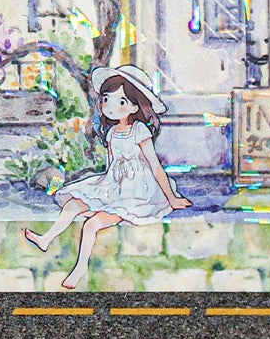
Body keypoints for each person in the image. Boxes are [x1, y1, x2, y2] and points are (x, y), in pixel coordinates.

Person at [23, 64, 191, 290]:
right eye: (106, 99)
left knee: (91, 225)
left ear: (134, 107)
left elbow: (155, 165)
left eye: (121, 102)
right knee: (72, 204)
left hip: (136, 192)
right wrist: (100, 193)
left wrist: (172, 198)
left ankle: (80, 268)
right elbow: (112, 167)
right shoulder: (112, 132)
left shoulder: (139, 130)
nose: (110, 107)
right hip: (114, 185)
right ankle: (46, 239)